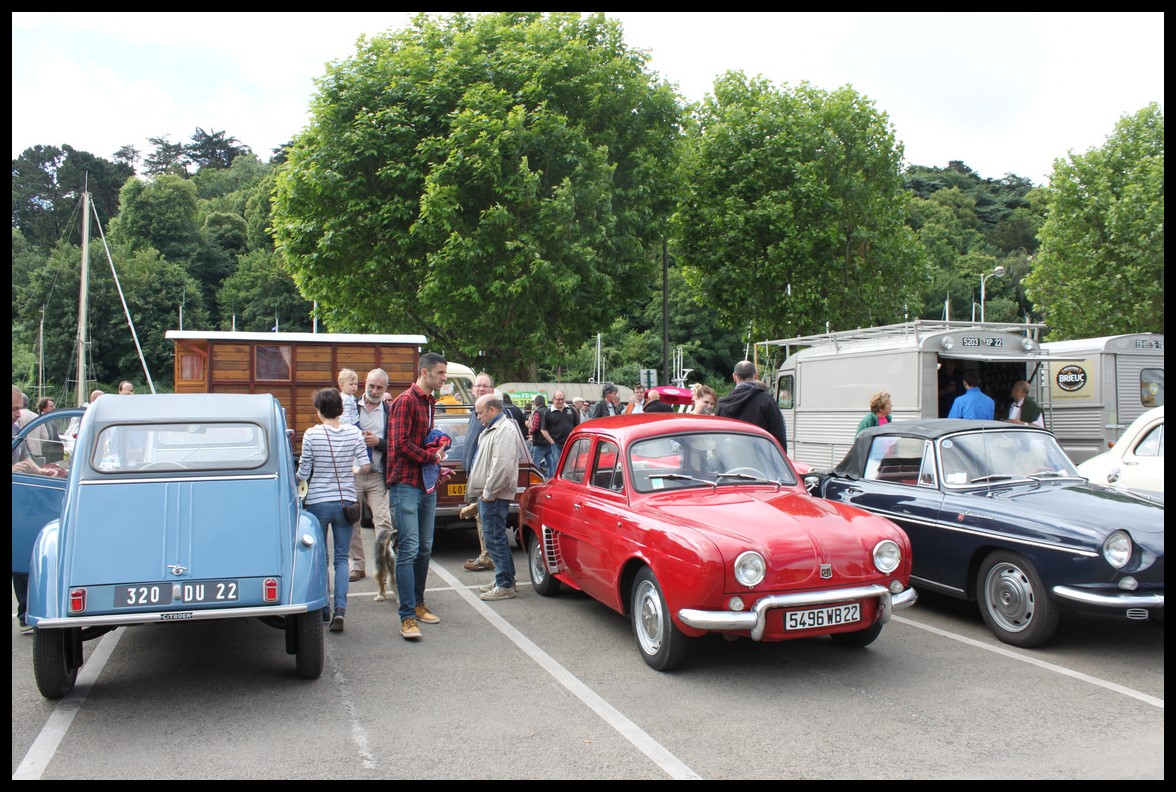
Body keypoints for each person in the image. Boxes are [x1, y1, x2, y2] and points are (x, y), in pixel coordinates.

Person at [386, 351, 448, 641]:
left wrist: (436, 456)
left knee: (424, 548)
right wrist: (432, 457)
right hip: (405, 484)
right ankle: (407, 616)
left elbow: (420, 440)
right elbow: (399, 445)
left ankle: (419, 604)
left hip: (424, 484)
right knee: (409, 549)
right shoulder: (406, 401)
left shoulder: (428, 403)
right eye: (440, 373)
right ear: (424, 372)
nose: (443, 378)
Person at [297, 388, 369, 634]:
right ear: (340, 407)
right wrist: (354, 472)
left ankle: (324, 608)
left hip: (317, 502)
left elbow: (304, 470)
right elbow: (366, 465)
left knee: (321, 560)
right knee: (341, 559)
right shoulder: (354, 432)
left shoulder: (312, 434)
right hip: (345, 503)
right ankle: (340, 609)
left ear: (319, 410)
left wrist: (296, 482)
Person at [468, 393, 521, 601]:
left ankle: (505, 583)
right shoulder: (493, 428)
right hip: (490, 493)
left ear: (492, 410)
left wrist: (489, 493)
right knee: (494, 538)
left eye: (480, 412)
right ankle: (503, 578)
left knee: (495, 538)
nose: (477, 417)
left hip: (495, 495)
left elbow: (502, 465)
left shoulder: (504, 430)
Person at [347, 369, 395, 583]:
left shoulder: (389, 412)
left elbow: (395, 445)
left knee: (383, 522)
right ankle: (357, 565)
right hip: (353, 473)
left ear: (386, 389)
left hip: (377, 475)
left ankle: (384, 566)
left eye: (380, 388)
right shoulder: (349, 406)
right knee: (351, 521)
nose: (375, 391)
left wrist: (378, 443)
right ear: (365, 383)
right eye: (372, 386)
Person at [462, 373, 498, 573]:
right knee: (480, 518)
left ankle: (488, 557)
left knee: (486, 517)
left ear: (492, 390)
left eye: (485, 386)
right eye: (478, 386)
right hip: (474, 474)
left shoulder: (493, 415)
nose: (481, 389)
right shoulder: (475, 413)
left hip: (486, 477)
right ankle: (486, 555)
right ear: (473, 390)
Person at [715, 360, 788, 453]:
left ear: (734, 377)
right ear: (756, 375)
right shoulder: (767, 401)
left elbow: (718, 441)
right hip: (760, 461)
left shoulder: (723, 404)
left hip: (731, 462)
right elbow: (779, 435)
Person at [539, 390, 576, 472]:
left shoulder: (571, 410)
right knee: (558, 467)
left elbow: (577, 426)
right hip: (556, 445)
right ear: (553, 399)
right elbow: (543, 429)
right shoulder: (548, 413)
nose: (561, 401)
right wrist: (552, 442)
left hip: (570, 444)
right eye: (558, 399)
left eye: (562, 399)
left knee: (571, 466)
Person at [528, 394, 551, 477]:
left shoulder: (538, 412)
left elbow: (534, 428)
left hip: (539, 441)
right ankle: (551, 479)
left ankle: (534, 479)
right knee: (550, 463)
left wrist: (528, 425)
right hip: (549, 440)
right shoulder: (549, 411)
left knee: (535, 464)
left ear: (536, 403)